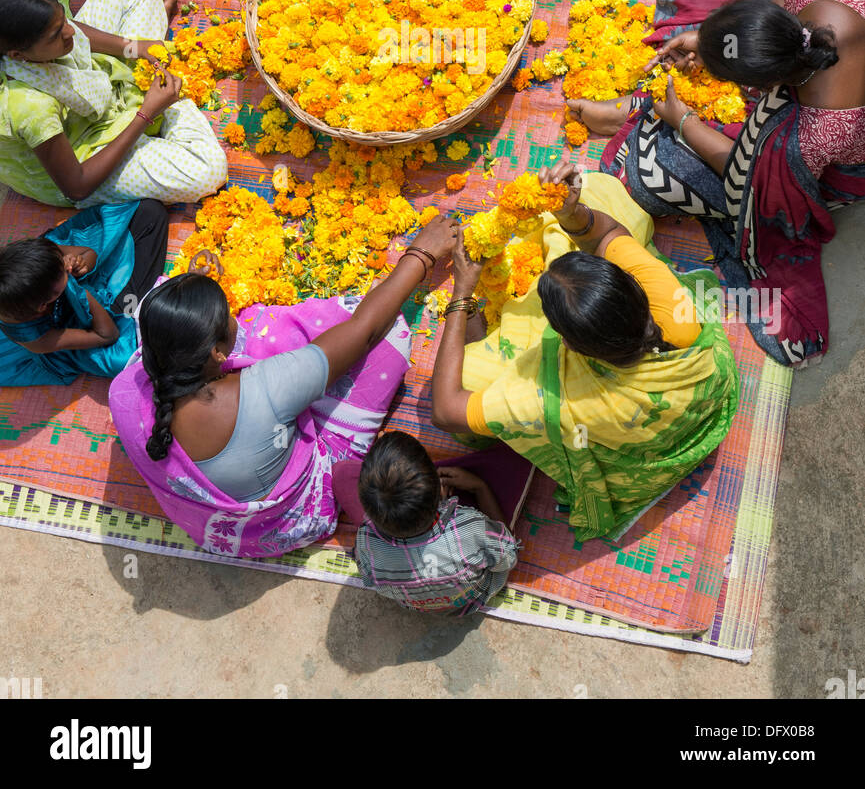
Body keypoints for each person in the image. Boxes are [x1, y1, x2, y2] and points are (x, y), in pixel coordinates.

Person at [568, 0, 865, 364]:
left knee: (651, 174)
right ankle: (644, 107)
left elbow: (750, 176)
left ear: (763, 86)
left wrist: (684, 121)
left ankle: (640, 110)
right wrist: (709, 41)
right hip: (796, 90)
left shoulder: (818, 131)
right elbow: (767, 14)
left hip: (838, 167)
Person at [108, 215, 458, 558]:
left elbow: (163, 337)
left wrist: (190, 293)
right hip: (287, 521)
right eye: (224, 314)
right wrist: (422, 254)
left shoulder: (125, 391)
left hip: (216, 532)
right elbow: (363, 332)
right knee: (386, 334)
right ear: (216, 352)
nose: (232, 314)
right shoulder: (264, 390)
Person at [430, 166, 738, 541]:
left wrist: (462, 293)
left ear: (570, 346)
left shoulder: (561, 398)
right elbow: (608, 232)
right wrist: (570, 212)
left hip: (619, 436)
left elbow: (446, 411)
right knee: (596, 188)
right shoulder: (675, 315)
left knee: (465, 377)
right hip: (701, 411)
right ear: (632, 286)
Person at [0, 0, 227, 208]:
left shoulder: (45, 40)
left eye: (63, 18)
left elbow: (77, 32)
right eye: (56, 34)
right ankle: (169, 101)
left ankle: (152, 88)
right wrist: (146, 114)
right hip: (86, 152)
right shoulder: (30, 108)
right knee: (208, 172)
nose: (70, 31)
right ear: (17, 54)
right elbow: (77, 186)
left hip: (92, 74)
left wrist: (131, 46)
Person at [0, 200, 168, 387]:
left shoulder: (44, 257)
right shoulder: (37, 339)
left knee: (148, 213)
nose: (66, 268)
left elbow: (88, 252)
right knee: (128, 359)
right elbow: (108, 335)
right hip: (81, 329)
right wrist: (79, 291)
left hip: (78, 286)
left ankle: (134, 303)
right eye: (64, 278)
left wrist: (83, 264)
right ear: (44, 304)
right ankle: (132, 306)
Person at [351, 430, 519, 615]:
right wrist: (479, 487)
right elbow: (509, 556)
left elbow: (368, 577)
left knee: (343, 472)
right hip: (470, 600)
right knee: (510, 461)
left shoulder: (365, 540)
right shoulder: (470, 527)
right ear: (438, 486)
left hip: (416, 603)